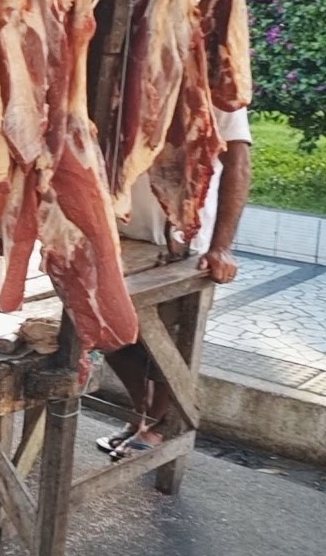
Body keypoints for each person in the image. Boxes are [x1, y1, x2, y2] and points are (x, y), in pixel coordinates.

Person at [101, 106, 252, 459]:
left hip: (181, 242)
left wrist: (222, 246)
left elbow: (238, 164)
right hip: (119, 234)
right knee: (108, 333)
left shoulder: (216, 89)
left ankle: (158, 424)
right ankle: (143, 411)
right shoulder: (120, 73)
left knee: (167, 344)